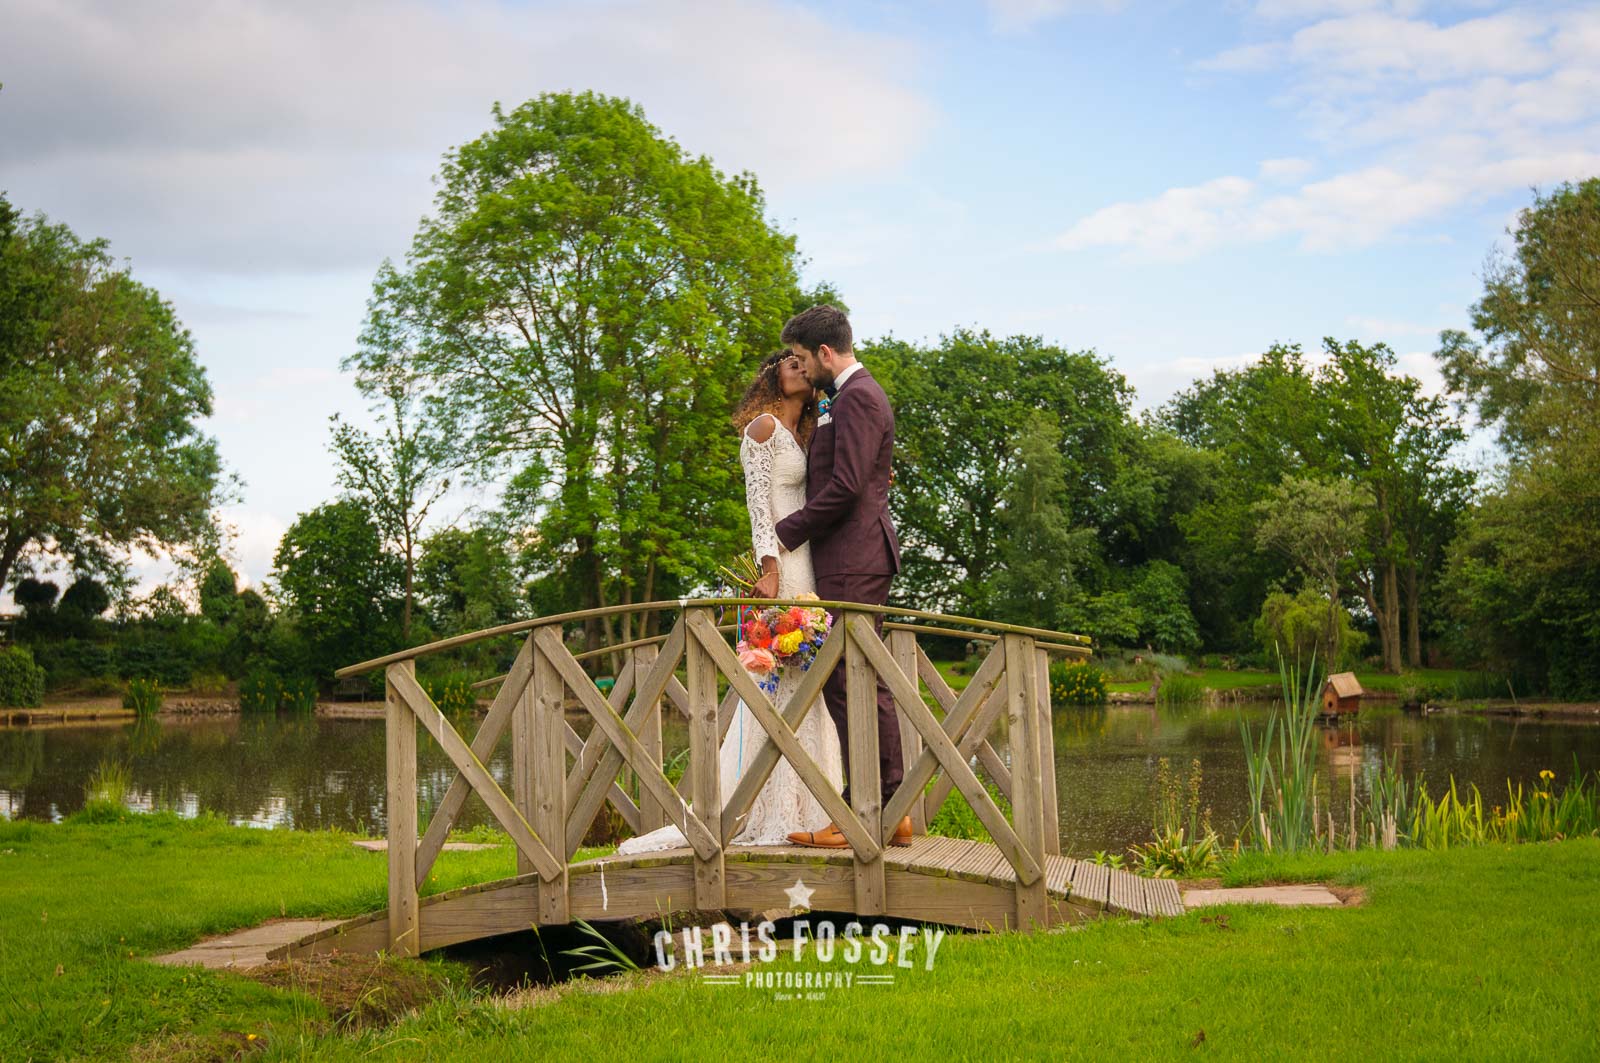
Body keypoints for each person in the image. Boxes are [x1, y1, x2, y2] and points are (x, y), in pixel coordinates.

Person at [617, 350, 843, 853]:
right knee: (778, 678)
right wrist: (768, 568)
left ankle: (815, 805)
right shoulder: (760, 429)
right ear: (773, 379)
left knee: (810, 681)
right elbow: (757, 506)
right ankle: (762, 804)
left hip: (810, 566)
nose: (799, 367)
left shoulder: (806, 433)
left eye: (802, 362)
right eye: (789, 364)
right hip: (782, 568)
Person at [768, 305, 912, 849]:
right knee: (859, 682)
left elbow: (849, 485)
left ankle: (865, 811)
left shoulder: (860, 397)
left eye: (804, 359)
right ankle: (887, 811)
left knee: (851, 684)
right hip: (850, 555)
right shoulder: (846, 399)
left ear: (825, 354)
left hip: (854, 557)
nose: (802, 369)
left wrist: (784, 532)